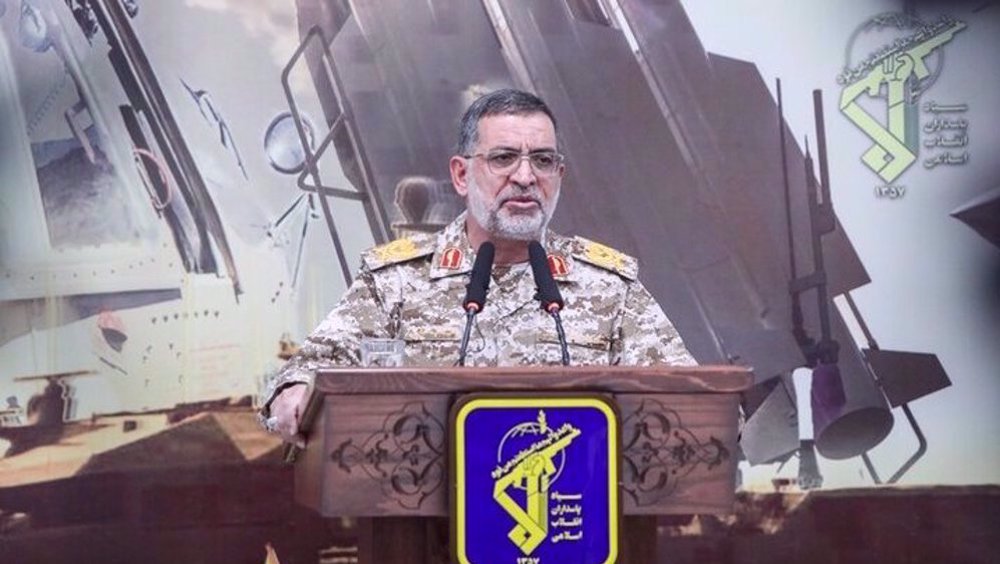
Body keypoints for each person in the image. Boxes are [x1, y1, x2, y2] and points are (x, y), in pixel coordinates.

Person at [261, 89, 694, 446]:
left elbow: (686, 398)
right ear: (461, 175)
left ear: (559, 174)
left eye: (543, 160)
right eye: (503, 158)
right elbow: (307, 370)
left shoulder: (608, 286)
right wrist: (293, 392)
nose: (525, 176)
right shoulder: (397, 281)